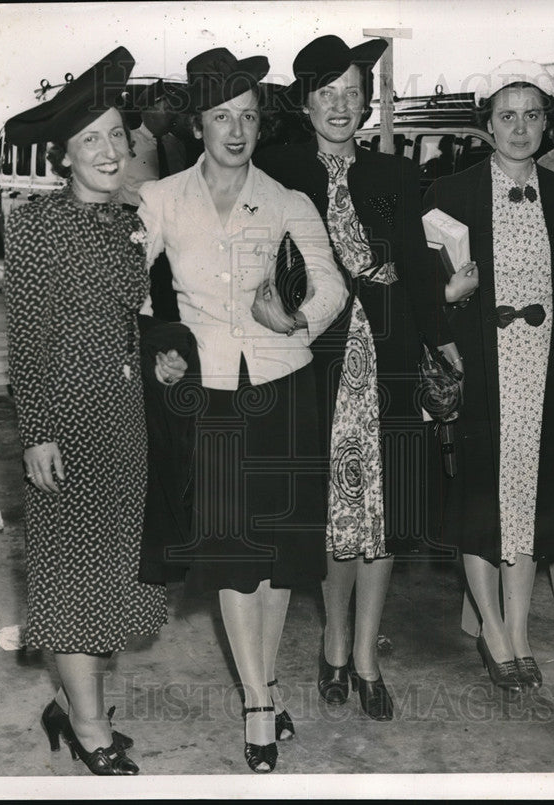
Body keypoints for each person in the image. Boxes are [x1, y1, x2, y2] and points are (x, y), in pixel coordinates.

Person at [135, 48, 346, 773]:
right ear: (198, 124)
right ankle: (258, 698)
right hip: (212, 393)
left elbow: (332, 284)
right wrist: (160, 344)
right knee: (232, 548)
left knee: (280, 551)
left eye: (249, 117)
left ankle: (267, 680)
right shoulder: (159, 199)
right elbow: (128, 290)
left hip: (282, 386)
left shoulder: (287, 198)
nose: (237, 130)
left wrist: (295, 321)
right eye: (222, 117)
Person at [256, 35, 473, 721]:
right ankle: (334, 639)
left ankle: (369, 657)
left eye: (354, 92)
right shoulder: (279, 169)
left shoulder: (395, 175)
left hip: (392, 352)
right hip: (314, 356)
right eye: (329, 93)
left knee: (390, 510)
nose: (342, 106)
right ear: (304, 101)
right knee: (332, 508)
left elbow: (411, 260)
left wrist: (442, 340)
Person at [3, 46, 168, 776]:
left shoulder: (126, 222)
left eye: (116, 135)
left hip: (124, 419)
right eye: (90, 140)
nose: (109, 150)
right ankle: (90, 729)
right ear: (65, 157)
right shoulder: (39, 227)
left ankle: (74, 707)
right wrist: (36, 431)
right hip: (67, 422)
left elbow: (132, 319)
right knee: (71, 574)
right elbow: (27, 338)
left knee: (107, 570)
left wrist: (160, 359)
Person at [423, 61, 554, 692]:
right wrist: (447, 324)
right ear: (486, 127)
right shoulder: (450, 196)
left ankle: (521, 631)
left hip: (545, 370)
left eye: (532, 115)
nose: (520, 127)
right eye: (507, 115)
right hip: (483, 368)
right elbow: (430, 294)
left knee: (531, 501)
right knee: (482, 500)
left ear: (547, 126)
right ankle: (494, 635)